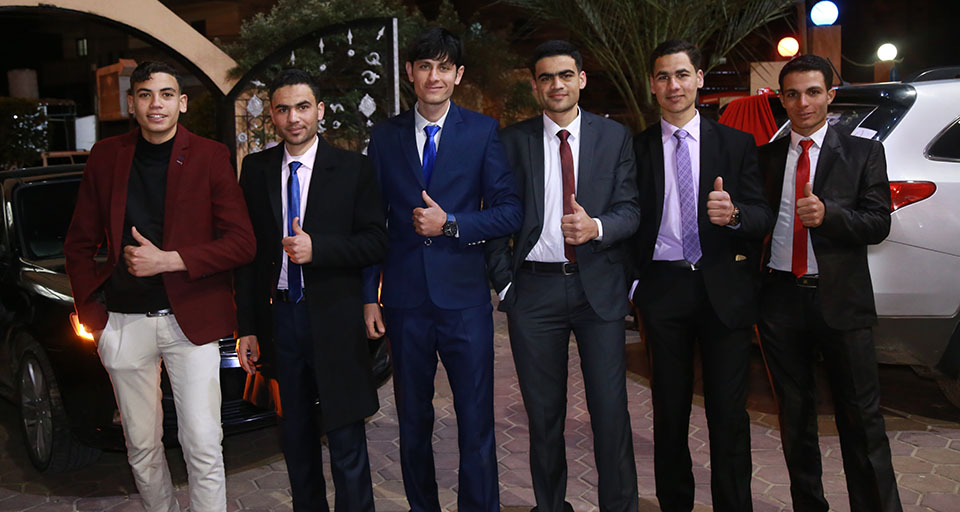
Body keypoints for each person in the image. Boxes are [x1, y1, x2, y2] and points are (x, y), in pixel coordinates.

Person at [63, 61, 255, 512]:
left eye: (166, 94)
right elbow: (79, 244)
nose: (156, 104)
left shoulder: (209, 156)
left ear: (182, 103)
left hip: (191, 322)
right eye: (146, 94)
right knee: (142, 447)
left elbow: (242, 243)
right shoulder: (106, 156)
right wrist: (96, 319)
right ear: (131, 103)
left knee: (203, 443)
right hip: (124, 322)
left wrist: (170, 260)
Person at [361, 26, 522, 512]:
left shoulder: (482, 131)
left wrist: (452, 223)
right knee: (413, 421)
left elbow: (509, 211)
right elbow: (372, 223)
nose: (435, 76)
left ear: (459, 75)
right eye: (426, 66)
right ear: (410, 72)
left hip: (465, 301)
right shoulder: (384, 137)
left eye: (445, 67)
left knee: (476, 420)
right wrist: (369, 295)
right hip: (405, 302)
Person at [486, 40, 640, 512]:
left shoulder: (614, 137)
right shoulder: (512, 141)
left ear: (582, 79)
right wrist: (505, 283)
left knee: (610, 412)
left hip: (599, 290)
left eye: (566, 75)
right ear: (536, 86)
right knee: (543, 414)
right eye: (547, 77)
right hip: (534, 292)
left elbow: (631, 210)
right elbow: (494, 216)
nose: (557, 85)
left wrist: (597, 227)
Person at [234, 69, 387, 512]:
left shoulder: (354, 168)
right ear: (272, 115)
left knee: (346, 437)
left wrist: (318, 249)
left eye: (302, 107)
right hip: (281, 320)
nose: (293, 118)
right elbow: (248, 257)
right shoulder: (256, 170)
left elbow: (376, 241)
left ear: (319, 110)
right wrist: (247, 327)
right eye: (283, 109)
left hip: (336, 318)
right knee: (295, 438)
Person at [630, 40, 773, 512]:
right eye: (664, 77)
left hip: (722, 291)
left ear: (699, 78)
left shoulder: (736, 144)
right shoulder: (635, 149)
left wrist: (734, 215)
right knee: (669, 413)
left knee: (728, 414)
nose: (674, 85)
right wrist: (636, 284)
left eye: (682, 74)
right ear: (653, 86)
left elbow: (761, 216)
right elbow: (627, 219)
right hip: (663, 289)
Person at [757, 54, 902, 512]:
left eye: (813, 92)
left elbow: (878, 223)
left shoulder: (862, 153)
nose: (803, 103)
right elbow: (756, 222)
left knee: (861, 419)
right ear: (782, 100)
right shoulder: (765, 158)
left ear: (830, 96)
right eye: (793, 94)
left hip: (841, 299)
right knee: (795, 419)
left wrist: (829, 216)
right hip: (780, 299)